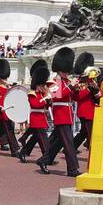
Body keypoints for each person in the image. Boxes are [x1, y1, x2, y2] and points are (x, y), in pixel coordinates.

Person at [36, 47, 82, 177]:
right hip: (61, 115)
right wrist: (71, 86)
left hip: (67, 114)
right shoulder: (53, 81)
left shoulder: (65, 82)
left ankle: (43, 160)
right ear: (60, 70)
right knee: (68, 144)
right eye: (65, 71)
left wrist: (76, 89)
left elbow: (72, 97)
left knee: (60, 143)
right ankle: (72, 169)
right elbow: (58, 95)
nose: (67, 74)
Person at [19, 60, 53, 161]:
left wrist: (49, 99)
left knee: (34, 139)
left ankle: (23, 153)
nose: (43, 87)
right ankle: (47, 158)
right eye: (42, 85)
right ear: (37, 85)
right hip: (36, 119)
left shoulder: (42, 94)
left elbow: (47, 106)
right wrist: (45, 98)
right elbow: (36, 104)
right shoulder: (32, 94)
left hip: (41, 119)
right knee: (44, 140)